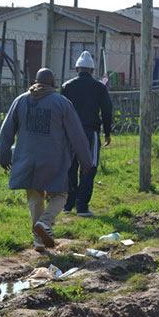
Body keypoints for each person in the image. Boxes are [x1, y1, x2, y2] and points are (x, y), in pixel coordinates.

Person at [0, 68, 93, 252]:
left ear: (35, 81)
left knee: (34, 197)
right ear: (53, 84)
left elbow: (6, 130)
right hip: (54, 160)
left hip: (26, 158)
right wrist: (86, 161)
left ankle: (38, 241)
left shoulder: (21, 100)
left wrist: (3, 156)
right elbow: (77, 134)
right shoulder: (62, 103)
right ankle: (45, 222)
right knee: (61, 194)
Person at [61, 51, 113, 217]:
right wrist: (107, 132)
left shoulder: (66, 86)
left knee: (70, 167)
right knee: (89, 168)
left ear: (77, 69)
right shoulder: (99, 87)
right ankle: (82, 206)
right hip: (90, 132)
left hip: (69, 133)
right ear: (92, 70)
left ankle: (68, 204)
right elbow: (107, 111)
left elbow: (60, 111)